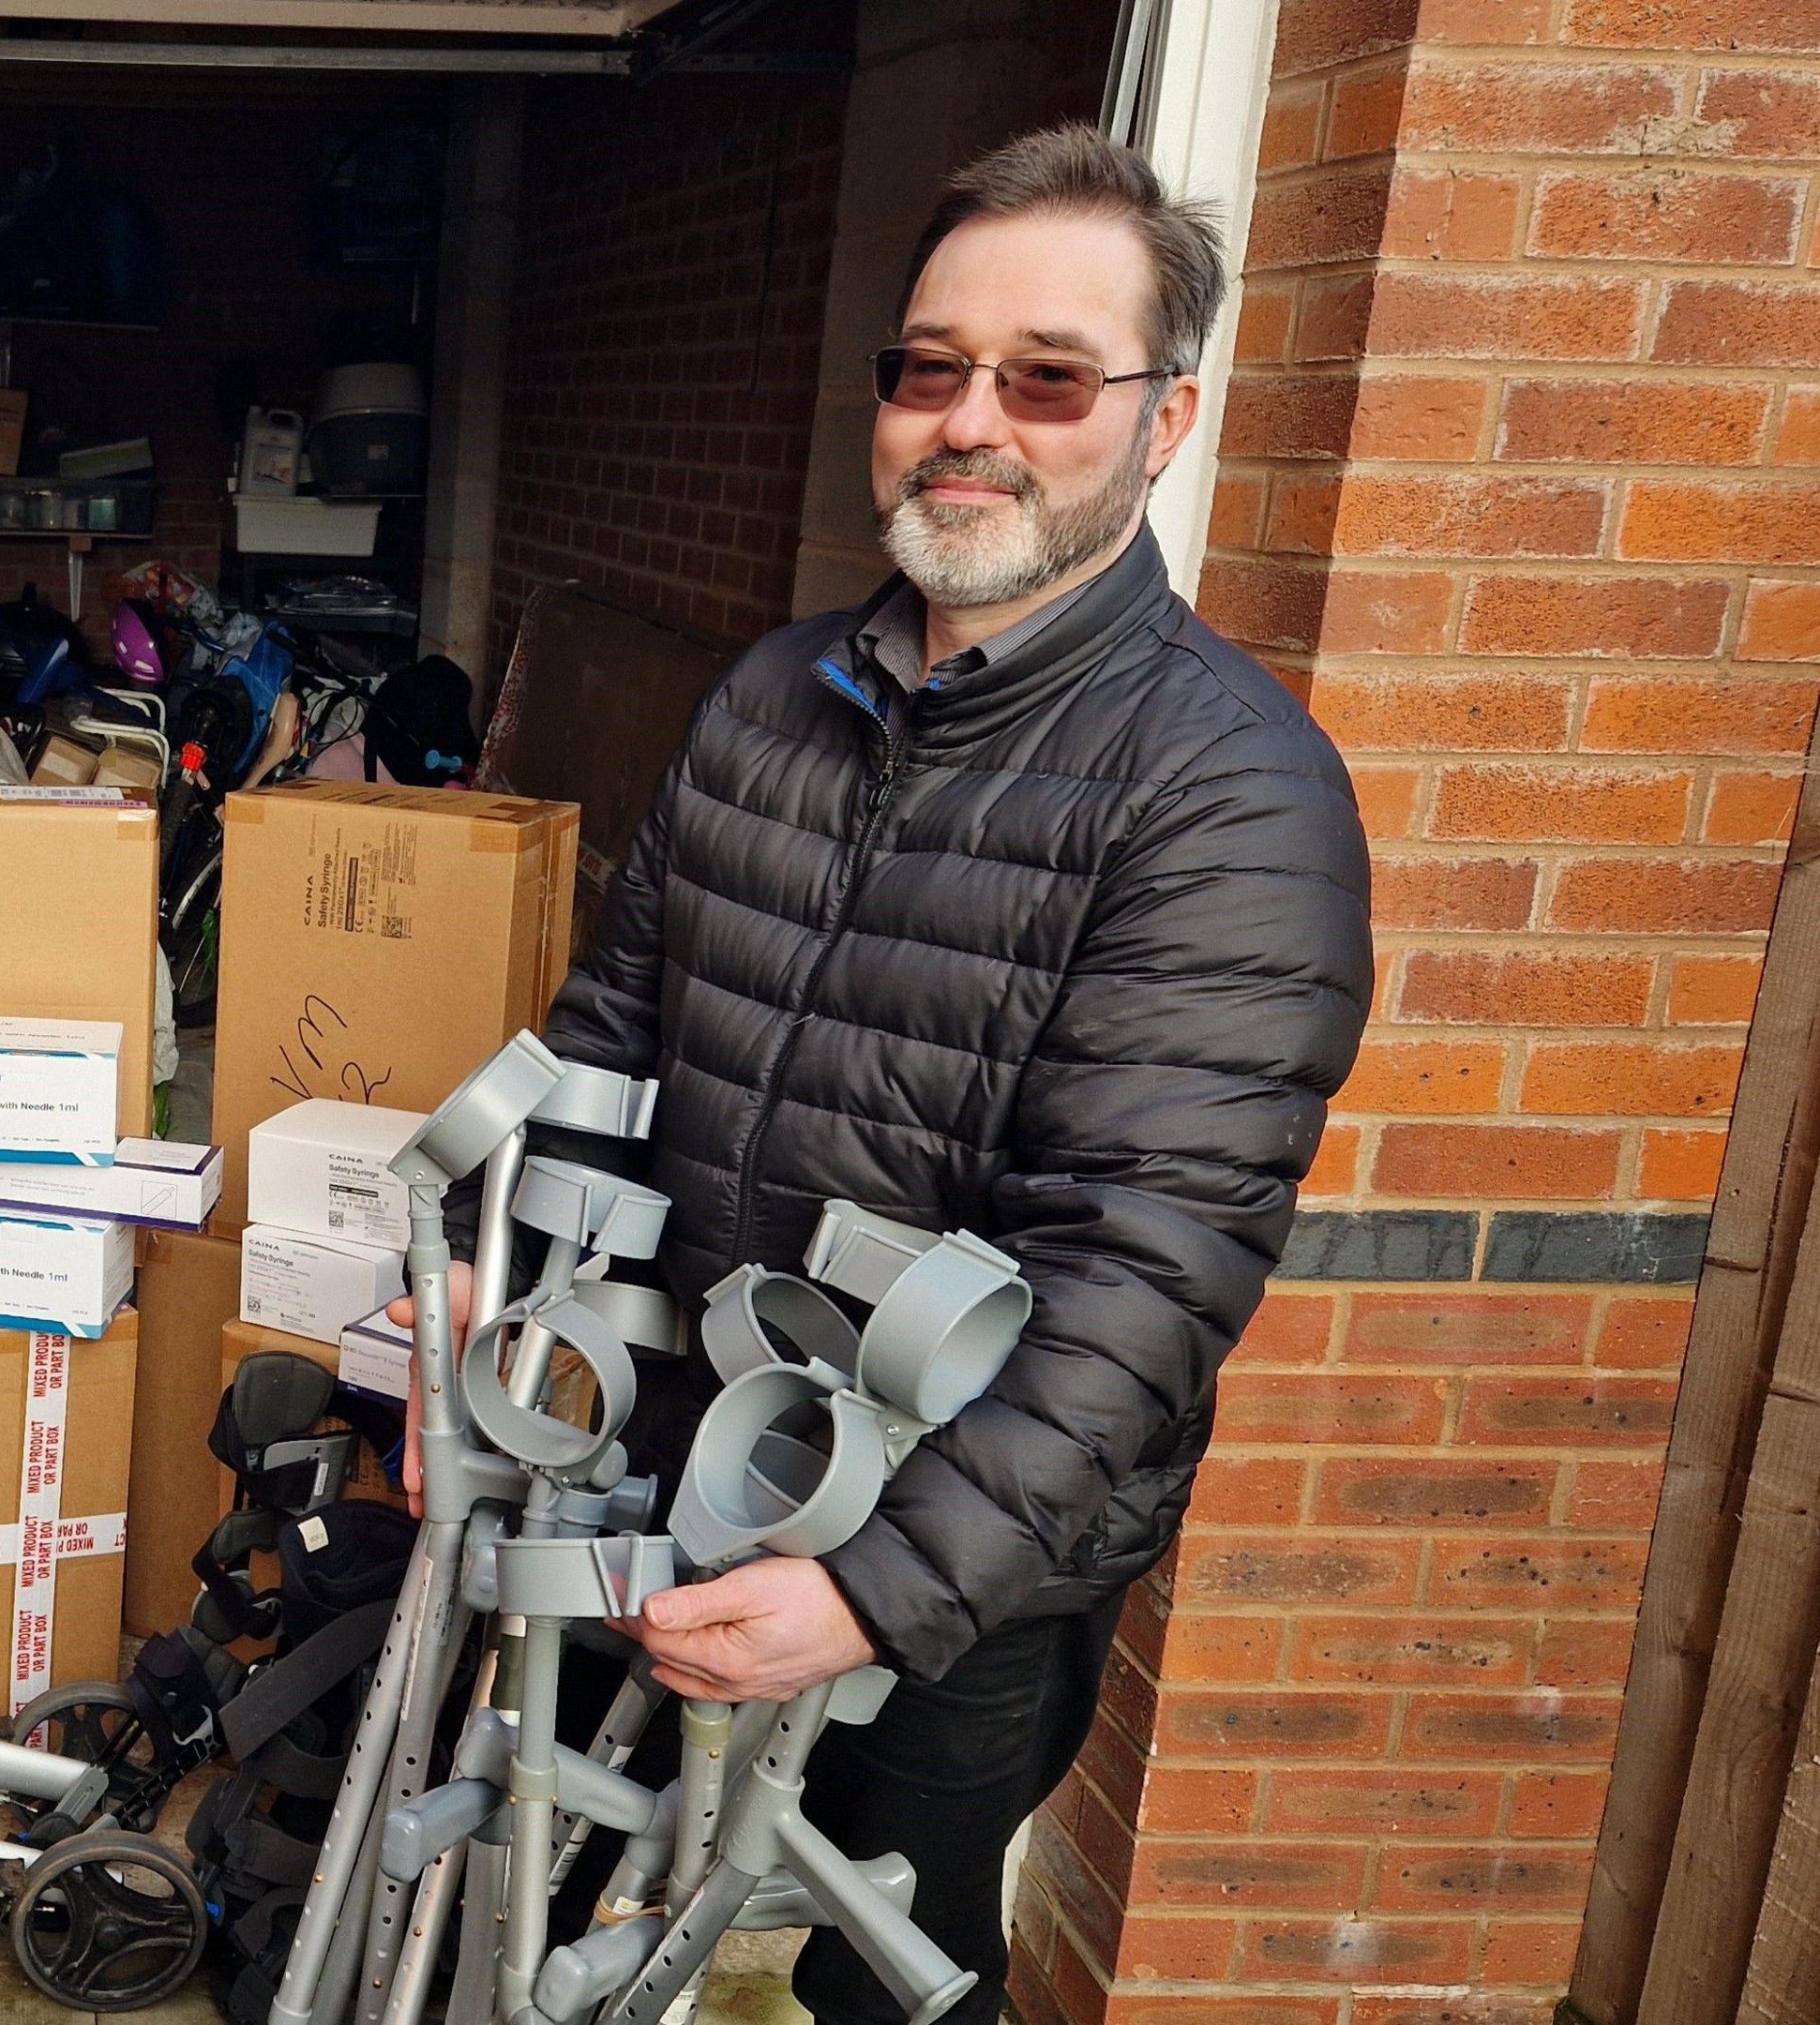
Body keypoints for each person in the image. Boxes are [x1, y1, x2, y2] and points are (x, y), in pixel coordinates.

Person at [407, 126, 1370, 2025]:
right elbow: (613, 1037)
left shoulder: (1230, 795)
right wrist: (480, 1258)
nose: (970, 422)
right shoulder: (769, 700)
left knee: (889, 1971)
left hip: (960, 1551)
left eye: (1048, 375)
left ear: (1163, 421)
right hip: (674, 1434)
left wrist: (876, 1593)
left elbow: (1144, 1272)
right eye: (931, 368)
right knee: (507, 1888)